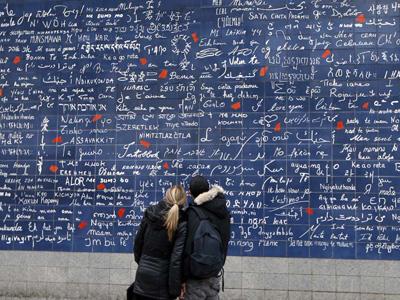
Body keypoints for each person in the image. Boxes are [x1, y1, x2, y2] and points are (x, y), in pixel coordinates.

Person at [133, 185, 187, 300]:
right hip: (162, 282)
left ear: (166, 197)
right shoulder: (181, 221)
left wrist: (143, 263)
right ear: (183, 200)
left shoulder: (150, 213)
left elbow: (138, 244)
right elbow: (175, 260)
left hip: (143, 276)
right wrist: (175, 289)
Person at [182, 176, 231, 300]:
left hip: (195, 277)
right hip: (214, 272)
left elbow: (187, 248)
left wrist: (182, 277)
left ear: (190, 193)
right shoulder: (223, 212)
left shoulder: (193, 213)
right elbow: (225, 241)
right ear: (208, 189)